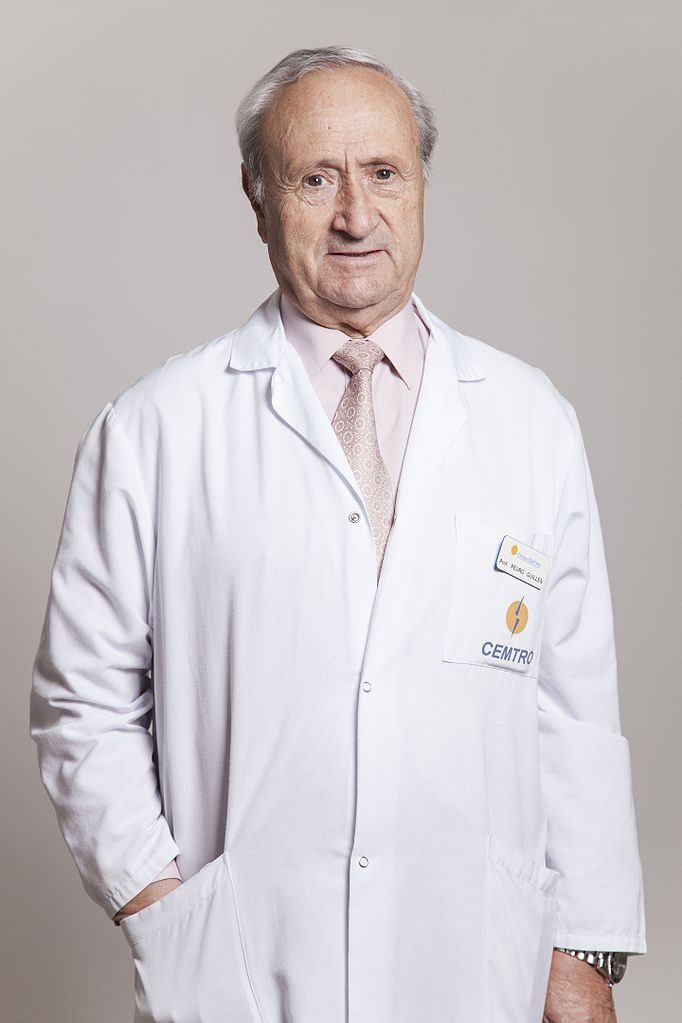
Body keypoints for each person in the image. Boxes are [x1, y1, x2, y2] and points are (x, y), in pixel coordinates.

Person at [30, 46, 646, 1023]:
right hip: (243, 977)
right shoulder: (155, 428)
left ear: (421, 185)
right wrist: (163, 909)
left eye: (384, 174)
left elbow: (573, 714)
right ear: (255, 196)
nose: (357, 215)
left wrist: (583, 951)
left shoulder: (530, 419)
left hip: (481, 968)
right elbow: (82, 701)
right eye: (316, 179)